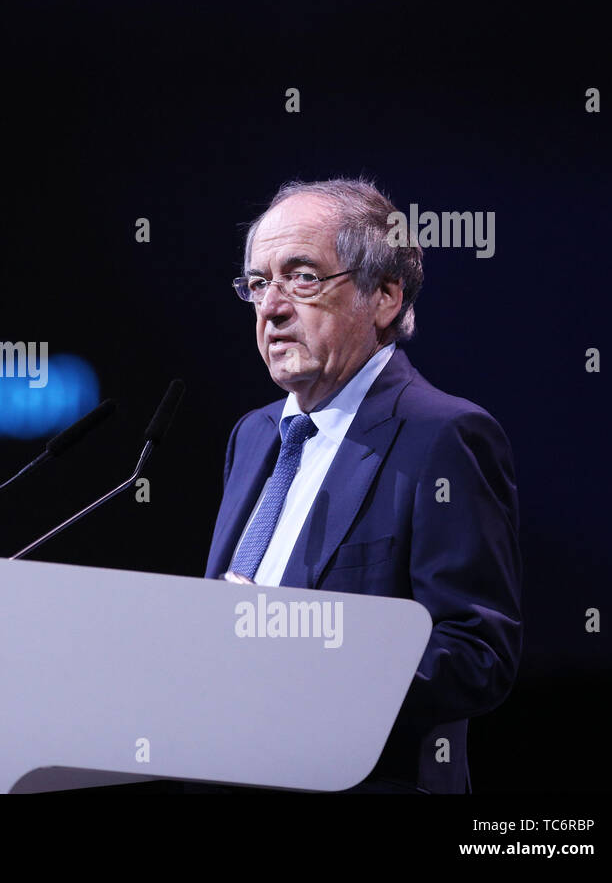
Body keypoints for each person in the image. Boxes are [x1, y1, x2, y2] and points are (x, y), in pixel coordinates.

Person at [203, 178, 522, 793]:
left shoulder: (444, 435)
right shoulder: (254, 435)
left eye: (303, 278)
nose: (271, 308)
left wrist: (297, 653)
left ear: (383, 296)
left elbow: (477, 657)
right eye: (259, 284)